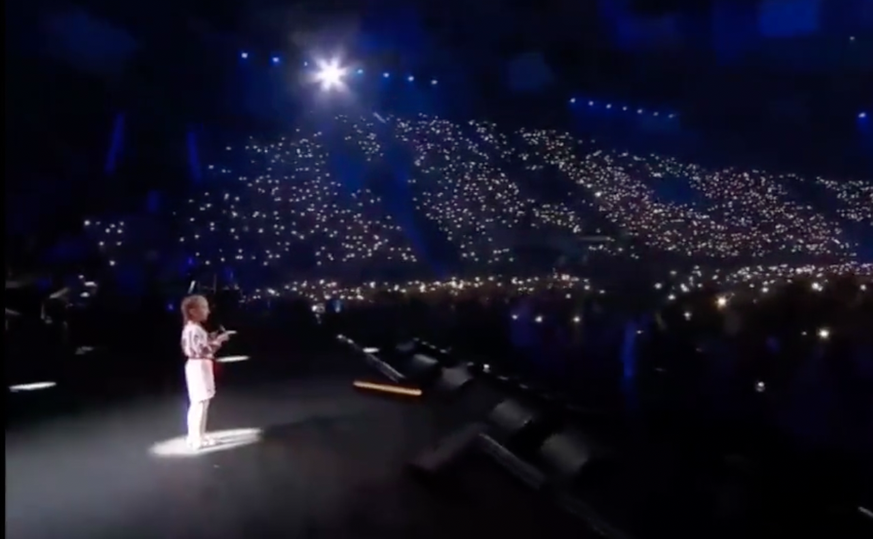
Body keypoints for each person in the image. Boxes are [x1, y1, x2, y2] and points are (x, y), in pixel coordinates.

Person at [180, 294, 231, 450]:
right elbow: (202, 350)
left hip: (201, 366)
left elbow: (201, 344)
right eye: (204, 307)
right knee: (200, 403)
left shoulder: (194, 328)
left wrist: (212, 337)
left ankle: (197, 435)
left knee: (201, 402)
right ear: (193, 311)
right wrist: (219, 340)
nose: (207, 311)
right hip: (199, 366)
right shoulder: (193, 329)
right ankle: (196, 438)